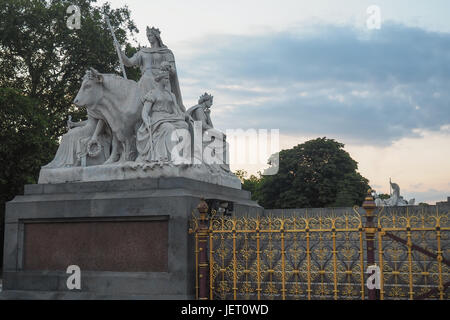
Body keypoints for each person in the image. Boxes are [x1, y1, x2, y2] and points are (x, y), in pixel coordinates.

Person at [120, 26, 185, 111]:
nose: (149, 38)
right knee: (147, 78)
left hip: (162, 81)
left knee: (151, 80)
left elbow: (173, 71)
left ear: (156, 36)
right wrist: (121, 52)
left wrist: (168, 67)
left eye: (150, 35)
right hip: (146, 80)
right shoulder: (143, 52)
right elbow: (129, 62)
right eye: (147, 36)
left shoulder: (166, 52)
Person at [136, 69, 189, 163]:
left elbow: (175, 110)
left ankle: (183, 155)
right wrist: (146, 120)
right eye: (166, 78)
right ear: (160, 79)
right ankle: (170, 156)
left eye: (168, 78)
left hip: (170, 117)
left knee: (184, 126)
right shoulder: (153, 93)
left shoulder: (171, 95)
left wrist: (183, 115)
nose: (168, 80)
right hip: (157, 118)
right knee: (169, 128)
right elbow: (145, 111)